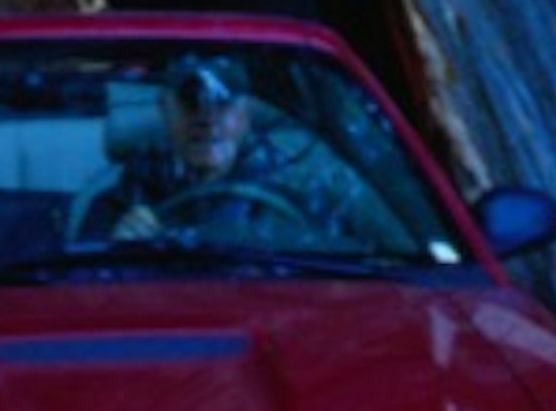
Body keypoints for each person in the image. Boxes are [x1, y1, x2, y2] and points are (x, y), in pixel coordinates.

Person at [76, 53, 398, 259]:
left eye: (223, 103)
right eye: (191, 102)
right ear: (164, 109)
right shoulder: (121, 199)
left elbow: (377, 258)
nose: (207, 118)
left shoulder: (303, 190)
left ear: (245, 115)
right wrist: (117, 251)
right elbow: (82, 295)